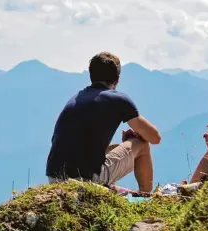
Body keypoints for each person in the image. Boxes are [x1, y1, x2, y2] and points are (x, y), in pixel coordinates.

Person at [46, 52, 161, 192]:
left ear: (91, 76)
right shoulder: (119, 100)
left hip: (54, 177)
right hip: (86, 178)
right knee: (142, 144)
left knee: (107, 150)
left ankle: (115, 192)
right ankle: (146, 197)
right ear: (117, 79)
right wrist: (135, 136)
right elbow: (154, 138)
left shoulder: (76, 98)